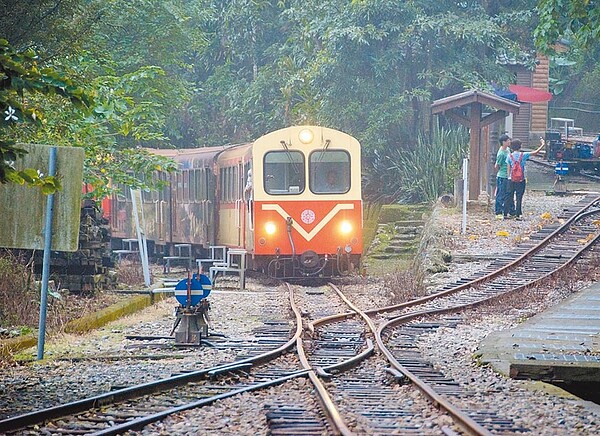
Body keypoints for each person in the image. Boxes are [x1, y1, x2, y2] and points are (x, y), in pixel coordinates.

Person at [503, 138, 545, 220]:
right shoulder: (523, 155)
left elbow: (508, 169)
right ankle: (518, 215)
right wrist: (542, 144)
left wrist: (509, 178)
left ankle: (505, 213)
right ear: (520, 146)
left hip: (511, 179)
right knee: (519, 197)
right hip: (521, 179)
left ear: (511, 147)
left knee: (509, 196)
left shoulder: (509, 156)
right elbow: (536, 152)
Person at [494, 134, 511, 218]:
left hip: (507, 175)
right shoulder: (501, 154)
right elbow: (497, 165)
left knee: (507, 194)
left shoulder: (508, 150)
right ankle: (498, 211)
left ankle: (508, 210)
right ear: (503, 142)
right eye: (508, 140)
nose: (509, 142)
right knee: (500, 194)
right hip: (502, 176)